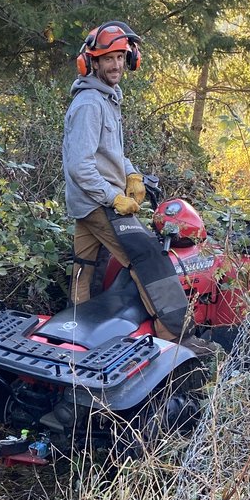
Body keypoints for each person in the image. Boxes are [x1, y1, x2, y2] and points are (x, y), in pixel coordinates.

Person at [62, 20, 188, 342]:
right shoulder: (90, 103)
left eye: (121, 57)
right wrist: (113, 198)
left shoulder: (107, 98)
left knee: (84, 269)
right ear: (92, 62)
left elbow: (110, 153)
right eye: (108, 59)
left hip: (85, 202)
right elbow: (80, 166)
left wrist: (130, 172)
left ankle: (76, 338)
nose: (116, 64)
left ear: (130, 58)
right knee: (147, 259)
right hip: (97, 202)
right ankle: (173, 338)